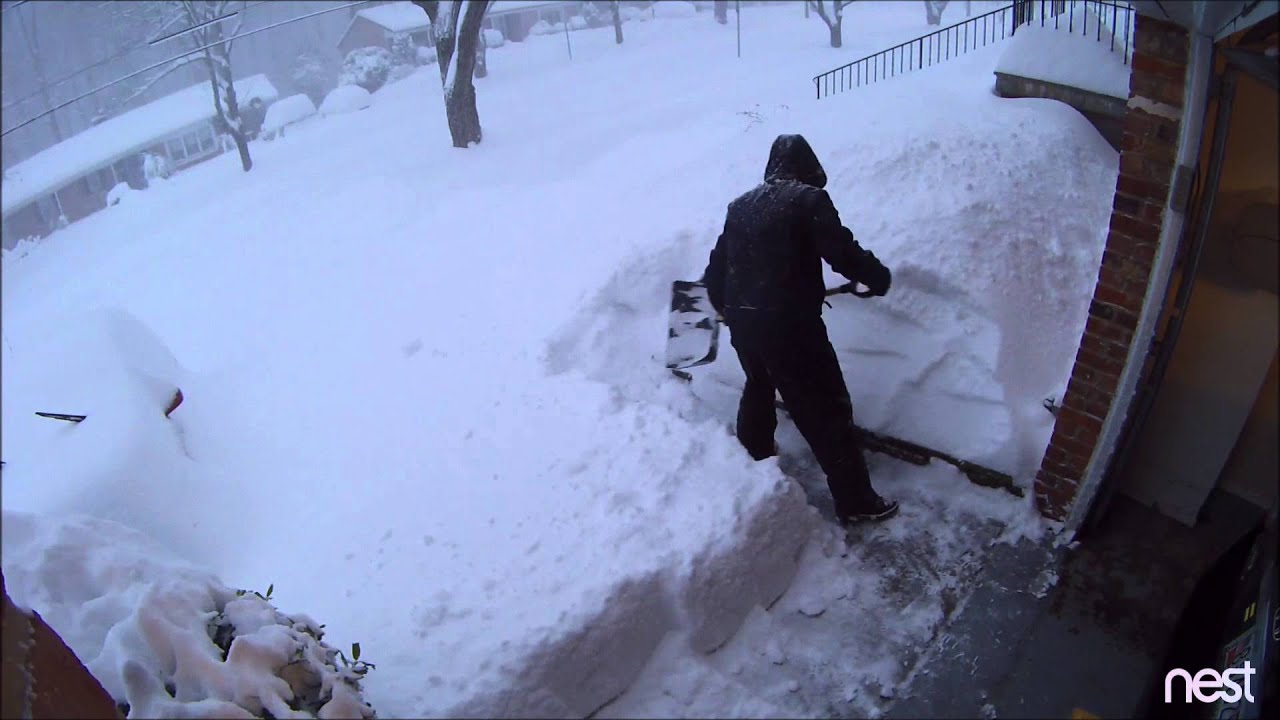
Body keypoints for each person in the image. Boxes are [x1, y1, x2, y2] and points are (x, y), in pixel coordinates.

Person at [702, 133, 899, 524]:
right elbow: (842, 252)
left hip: (744, 324)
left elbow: (715, 273)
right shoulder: (808, 200)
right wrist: (877, 276)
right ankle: (856, 502)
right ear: (808, 167)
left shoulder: (740, 206)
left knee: (759, 385)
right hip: (790, 329)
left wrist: (733, 310)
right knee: (825, 409)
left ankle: (753, 462)